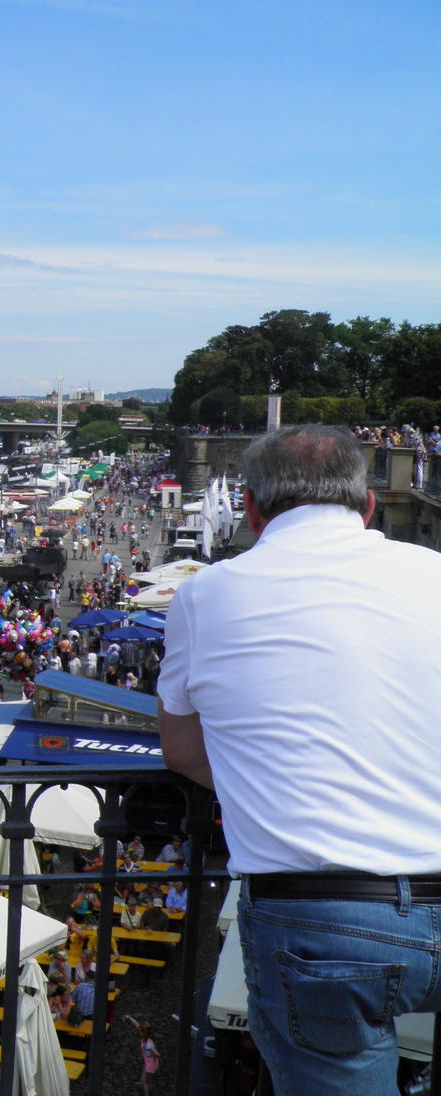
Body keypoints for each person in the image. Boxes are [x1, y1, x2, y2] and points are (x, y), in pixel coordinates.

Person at [158, 425, 441, 1092]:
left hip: (320, 911)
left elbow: (182, 749)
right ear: (367, 504)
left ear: (251, 510)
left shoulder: (204, 594)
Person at [123, 1016, 160, 1095]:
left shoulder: (148, 1043)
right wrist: (129, 1018)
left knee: (147, 1080)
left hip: (150, 1064)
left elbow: (157, 1053)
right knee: (144, 1080)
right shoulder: (146, 1038)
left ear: (144, 1032)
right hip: (148, 1063)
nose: (139, 1032)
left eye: (141, 1031)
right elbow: (137, 1024)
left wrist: (152, 1052)